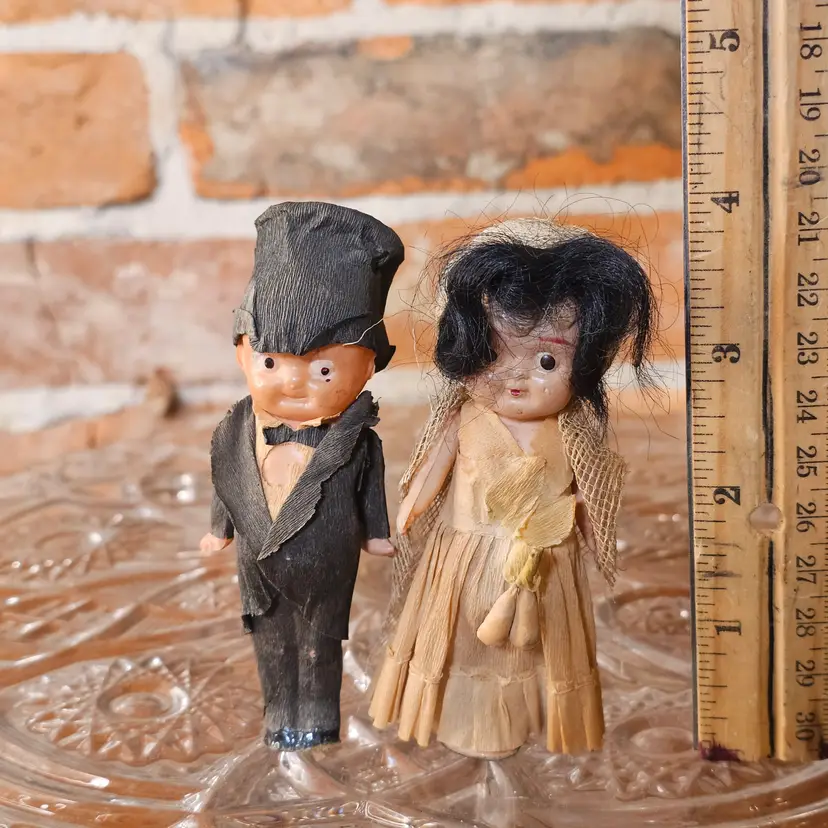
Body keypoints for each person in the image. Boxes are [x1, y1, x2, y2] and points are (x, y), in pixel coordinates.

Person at [370, 218, 656, 759]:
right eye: (494, 353)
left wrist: (592, 529)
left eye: (547, 360)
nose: (516, 378)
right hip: (465, 557)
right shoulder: (463, 418)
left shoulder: (574, 432)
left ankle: (532, 724)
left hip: (547, 563)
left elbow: (591, 496)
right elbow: (430, 473)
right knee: (462, 644)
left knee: (539, 650)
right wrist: (407, 513)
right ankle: (466, 723)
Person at [201, 201, 403, 751]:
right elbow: (227, 480)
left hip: (327, 562)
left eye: (324, 369)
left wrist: (376, 534)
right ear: (242, 355)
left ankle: (317, 720)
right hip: (259, 561)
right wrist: (219, 529)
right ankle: (278, 718)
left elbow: (370, 490)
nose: (293, 384)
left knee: (319, 643)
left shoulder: (359, 441)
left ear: (368, 367)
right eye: (270, 363)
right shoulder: (232, 432)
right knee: (270, 640)